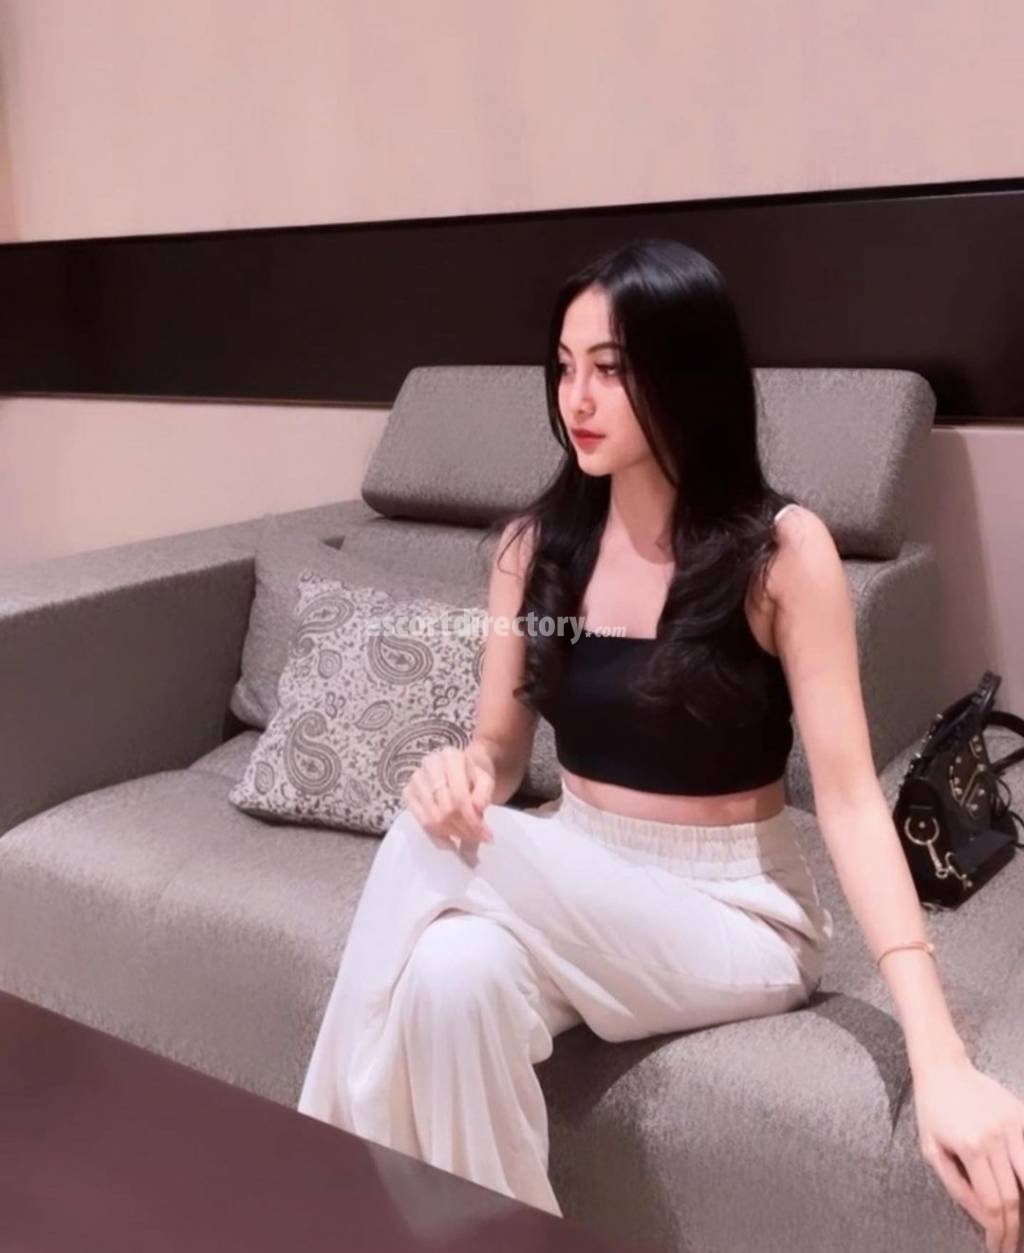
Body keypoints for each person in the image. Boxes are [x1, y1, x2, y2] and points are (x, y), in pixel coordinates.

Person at [298, 238, 1024, 1249]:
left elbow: (852, 799)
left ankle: (307, 1191)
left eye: (610, 368)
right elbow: (498, 751)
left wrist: (938, 1055)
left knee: (428, 853)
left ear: (686, 373)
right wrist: (461, 773)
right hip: (583, 872)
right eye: (564, 367)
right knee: (448, 981)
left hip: (735, 910)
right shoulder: (534, 552)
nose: (576, 398)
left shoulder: (779, 554)